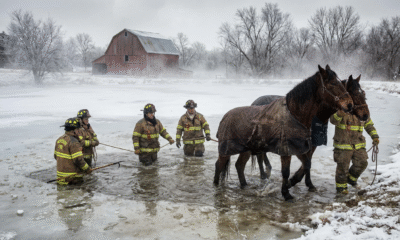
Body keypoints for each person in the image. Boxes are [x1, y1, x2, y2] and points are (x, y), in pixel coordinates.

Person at [330, 109, 379, 194]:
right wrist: (339, 113)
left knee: (362, 162)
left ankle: (351, 179)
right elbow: (333, 120)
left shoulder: (362, 110)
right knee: (342, 167)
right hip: (343, 144)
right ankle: (341, 189)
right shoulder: (341, 108)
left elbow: (368, 124)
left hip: (358, 144)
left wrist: (374, 136)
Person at [54, 117, 92, 185]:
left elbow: (55, 156)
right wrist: (88, 169)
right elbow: (78, 160)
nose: (79, 131)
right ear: (73, 130)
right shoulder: (74, 142)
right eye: (78, 129)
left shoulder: (59, 140)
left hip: (60, 178)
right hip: (72, 178)